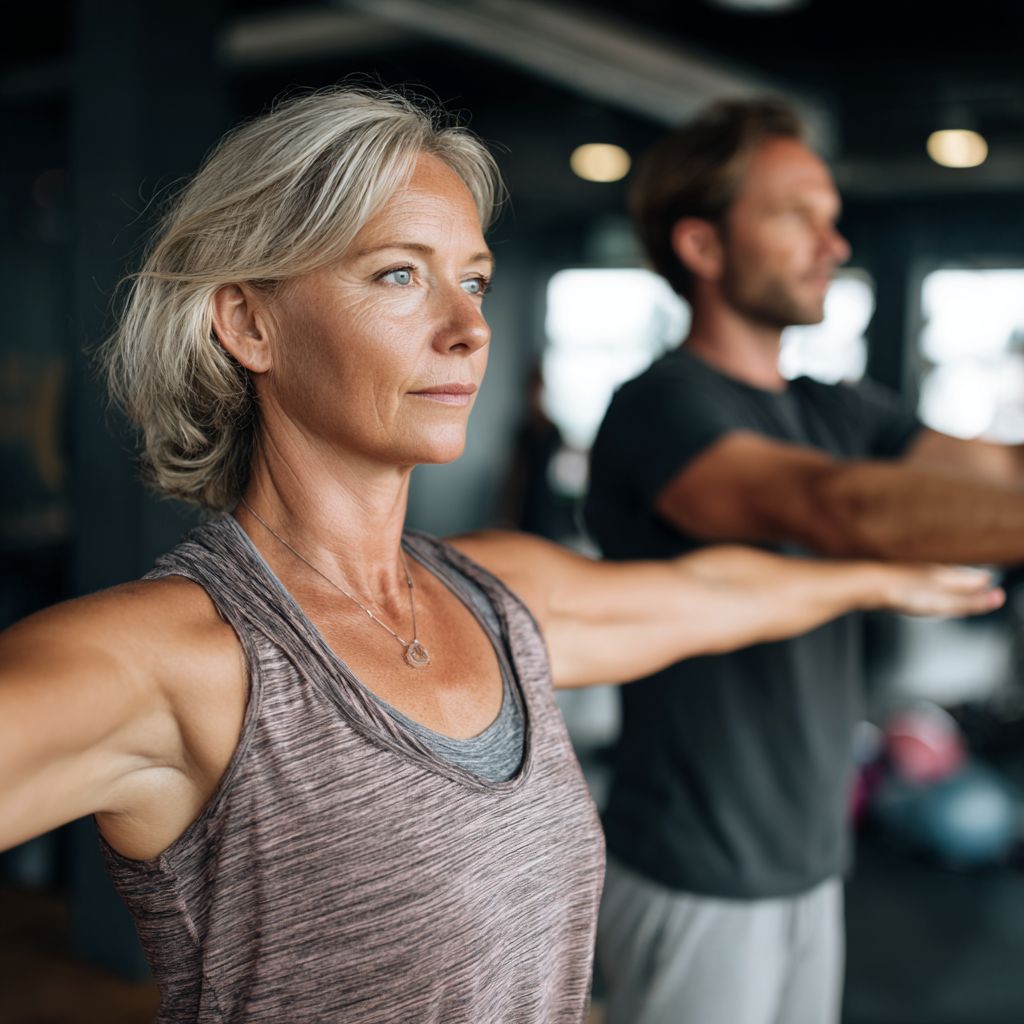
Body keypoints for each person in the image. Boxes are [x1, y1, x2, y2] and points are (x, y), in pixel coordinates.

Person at [0, 89, 1000, 1024]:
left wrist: (873, 579)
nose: (470, 327)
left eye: (472, 280)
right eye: (399, 274)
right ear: (249, 322)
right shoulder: (174, 660)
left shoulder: (495, 596)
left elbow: (710, 592)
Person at [585, 98, 1024, 1024]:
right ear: (702, 245)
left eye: (832, 217)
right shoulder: (661, 406)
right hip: (696, 871)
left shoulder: (839, 409)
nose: (834, 243)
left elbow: (999, 472)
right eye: (797, 216)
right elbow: (834, 506)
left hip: (812, 863)